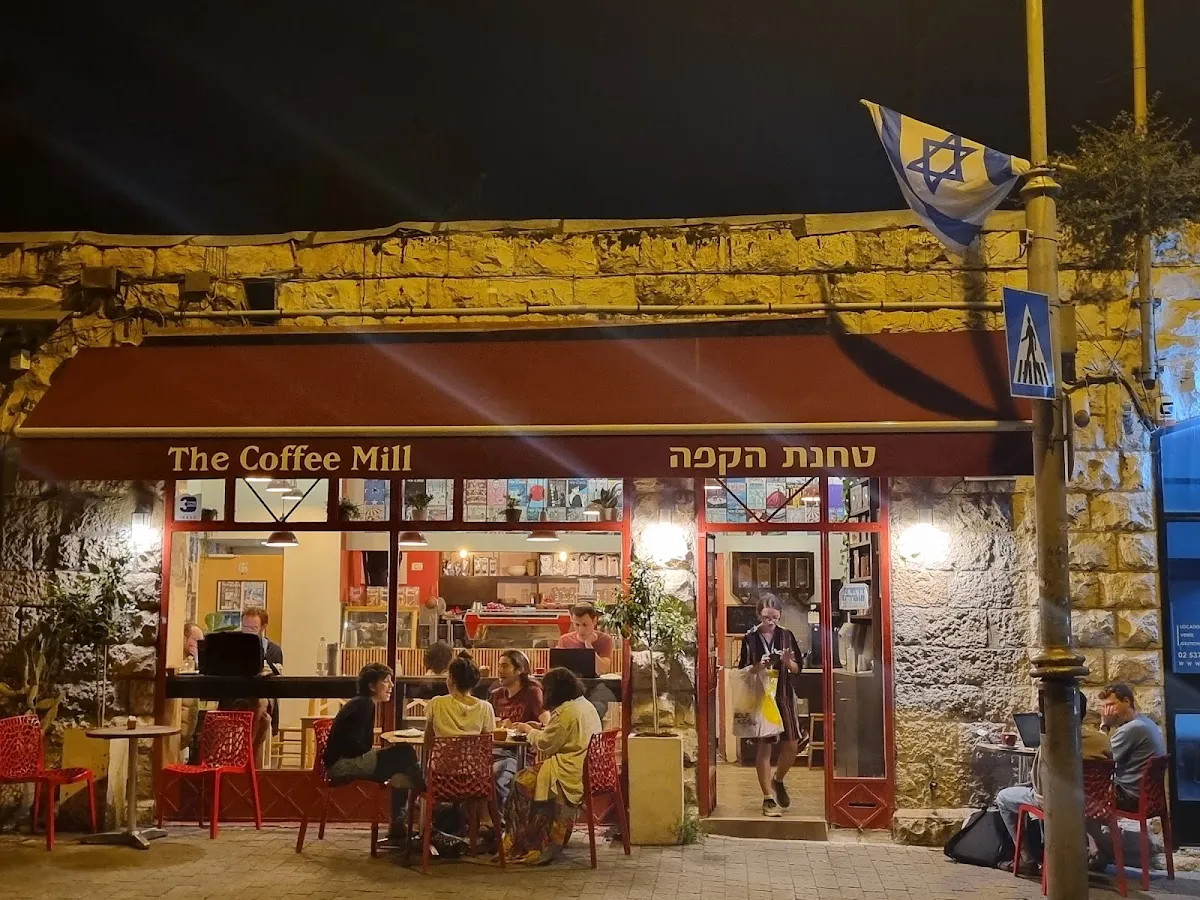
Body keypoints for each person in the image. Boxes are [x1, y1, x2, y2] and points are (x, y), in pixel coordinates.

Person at [995, 694, 1111, 874]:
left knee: (1004, 797)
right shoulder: (1102, 740)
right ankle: (1091, 850)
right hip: (1091, 805)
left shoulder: (1049, 743)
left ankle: (1026, 859)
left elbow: (1040, 790)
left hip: (1057, 805)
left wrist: (1029, 786)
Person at [504, 667, 602, 865]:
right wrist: (541, 728)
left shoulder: (565, 713)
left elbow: (545, 744)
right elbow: (560, 734)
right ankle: (528, 837)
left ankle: (524, 841)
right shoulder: (583, 705)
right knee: (527, 778)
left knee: (519, 782)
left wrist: (528, 729)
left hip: (568, 771)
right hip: (585, 767)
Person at [324, 663, 424, 844]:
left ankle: (399, 824)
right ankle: (425, 797)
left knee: (401, 765)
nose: (391, 686)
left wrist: (376, 754)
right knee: (406, 753)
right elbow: (356, 746)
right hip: (342, 765)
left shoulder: (361, 703)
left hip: (344, 761)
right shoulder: (364, 705)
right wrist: (376, 754)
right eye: (386, 681)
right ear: (371, 685)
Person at [737, 594, 805, 817]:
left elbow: (798, 669)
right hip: (762, 696)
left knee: (792, 744)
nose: (771, 622)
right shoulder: (750, 639)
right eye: (767, 617)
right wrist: (759, 666)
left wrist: (787, 662)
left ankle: (778, 779)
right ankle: (767, 798)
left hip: (783, 695)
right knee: (765, 747)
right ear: (759, 615)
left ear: (780, 616)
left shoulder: (786, 636)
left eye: (775, 617)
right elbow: (743, 671)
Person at [1087, 682, 1168, 870]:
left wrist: (1104, 725)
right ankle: (1097, 850)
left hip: (1131, 797)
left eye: (1111, 705)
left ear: (1126, 701)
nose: (1108, 711)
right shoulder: (1146, 723)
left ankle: (1098, 852)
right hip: (1147, 797)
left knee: (1078, 797)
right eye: (1105, 707)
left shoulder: (1132, 729)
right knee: (1086, 795)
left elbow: (1100, 755)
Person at [489, 650, 546, 807]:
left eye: (505, 666)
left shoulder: (532, 692)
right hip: (493, 752)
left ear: (519, 669)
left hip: (519, 755)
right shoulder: (496, 695)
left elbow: (547, 722)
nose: (499, 671)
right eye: (499, 666)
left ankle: (507, 818)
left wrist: (532, 726)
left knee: (497, 777)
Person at [425, 653, 497, 739]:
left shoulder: (436, 703)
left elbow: (428, 738)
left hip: (444, 748)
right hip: (472, 748)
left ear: (451, 678)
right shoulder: (485, 707)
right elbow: (487, 740)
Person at [555, 603, 614, 675]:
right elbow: (557, 670)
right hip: (571, 680)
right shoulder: (565, 640)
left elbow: (603, 670)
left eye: (585, 625)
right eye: (577, 625)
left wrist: (589, 645)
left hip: (596, 681)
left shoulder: (605, 639)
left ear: (594, 621)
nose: (581, 630)